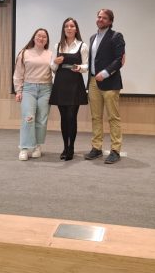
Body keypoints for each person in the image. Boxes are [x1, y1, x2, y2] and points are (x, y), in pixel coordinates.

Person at [84, 9, 125, 164]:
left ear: (110, 21)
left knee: (113, 117)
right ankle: (96, 148)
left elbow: (119, 59)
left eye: (104, 18)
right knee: (96, 117)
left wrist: (106, 72)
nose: (100, 19)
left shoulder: (116, 36)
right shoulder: (93, 37)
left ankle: (115, 150)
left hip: (110, 82)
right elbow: (93, 61)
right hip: (93, 82)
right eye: (99, 17)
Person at [49, 18, 88, 161]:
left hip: (75, 83)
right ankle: (65, 147)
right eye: (67, 26)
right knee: (64, 118)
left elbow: (87, 65)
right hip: (61, 82)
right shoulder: (58, 45)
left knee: (72, 117)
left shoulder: (82, 45)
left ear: (76, 29)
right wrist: (55, 62)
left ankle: (71, 148)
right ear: (64, 29)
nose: (69, 28)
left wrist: (80, 68)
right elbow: (53, 68)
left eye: (72, 26)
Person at [13, 28, 53, 161]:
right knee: (28, 118)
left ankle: (37, 146)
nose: (41, 38)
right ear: (34, 37)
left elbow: (55, 71)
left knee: (42, 120)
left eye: (44, 37)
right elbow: (18, 73)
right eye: (38, 36)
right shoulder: (24, 53)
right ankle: (24, 148)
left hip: (46, 89)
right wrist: (18, 90)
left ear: (47, 40)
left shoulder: (50, 54)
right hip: (28, 89)